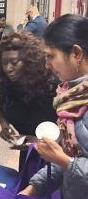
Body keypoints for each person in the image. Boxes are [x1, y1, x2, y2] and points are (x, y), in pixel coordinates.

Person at [19, 14, 88, 199]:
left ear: (76, 53)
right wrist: (32, 188)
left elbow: (67, 160)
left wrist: (65, 161)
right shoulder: (69, 94)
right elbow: (68, 157)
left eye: (51, 56)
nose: (47, 65)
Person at [0, 32, 58, 171]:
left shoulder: (51, 86)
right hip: (28, 154)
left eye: (14, 63)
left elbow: (70, 131)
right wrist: (4, 126)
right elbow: (2, 109)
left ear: (29, 62)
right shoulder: (8, 84)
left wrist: (36, 141)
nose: (8, 68)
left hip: (55, 157)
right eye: (4, 63)